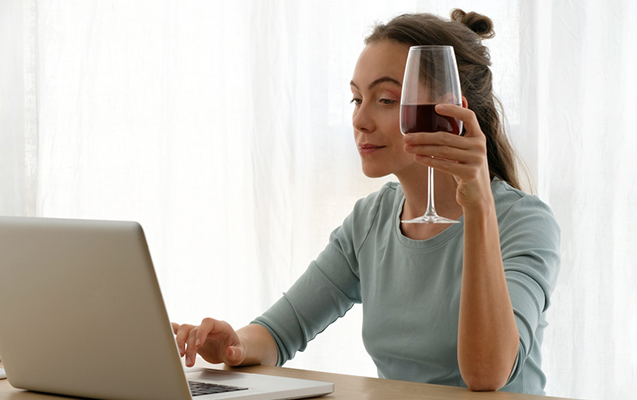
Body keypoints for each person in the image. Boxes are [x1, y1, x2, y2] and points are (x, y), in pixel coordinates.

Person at [172, 9, 560, 395]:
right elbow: (278, 332)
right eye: (356, 99)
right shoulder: (370, 220)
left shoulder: (524, 222)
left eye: (387, 99)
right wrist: (231, 345)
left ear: (450, 109)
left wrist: (478, 209)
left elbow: (487, 375)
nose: (360, 119)